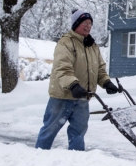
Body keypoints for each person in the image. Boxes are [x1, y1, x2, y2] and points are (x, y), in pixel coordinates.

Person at [35, 9, 122, 151]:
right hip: (63, 96)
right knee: (49, 130)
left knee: (78, 133)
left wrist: (106, 82)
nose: (88, 26)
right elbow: (62, 68)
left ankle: (77, 161)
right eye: (85, 23)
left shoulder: (92, 46)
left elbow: (99, 69)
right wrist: (73, 85)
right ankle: (38, 156)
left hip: (83, 96)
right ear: (76, 24)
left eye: (90, 23)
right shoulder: (66, 43)